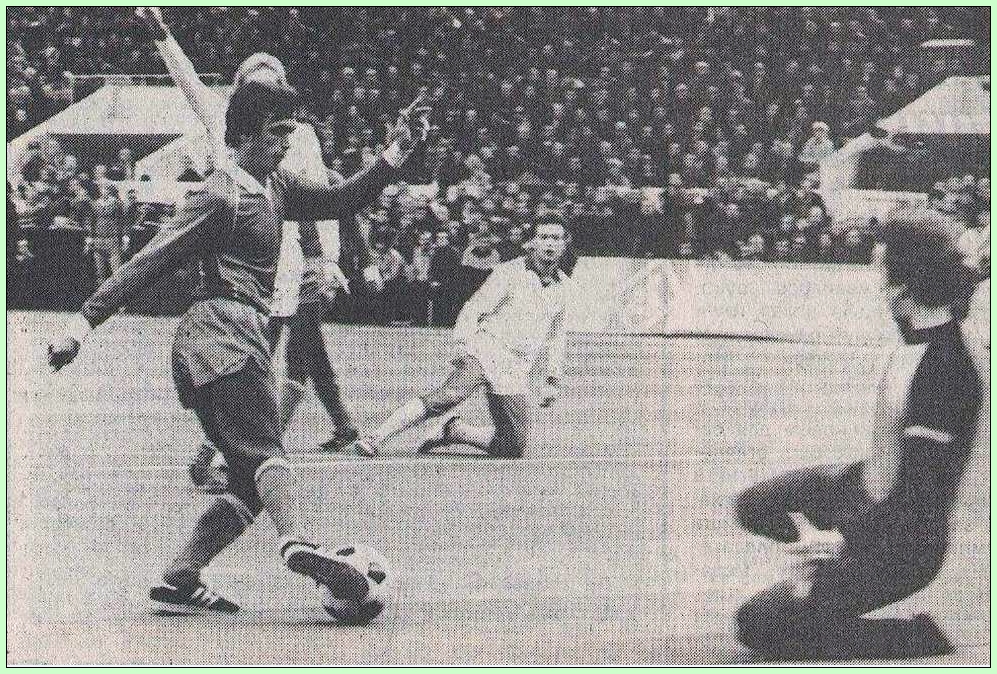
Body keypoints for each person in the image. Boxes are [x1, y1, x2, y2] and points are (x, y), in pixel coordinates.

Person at [46, 79, 424, 614]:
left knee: (249, 478)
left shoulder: (277, 187)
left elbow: (342, 201)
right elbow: (149, 261)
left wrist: (395, 152)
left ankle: (180, 578)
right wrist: (81, 326)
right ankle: (297, 543)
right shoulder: (219, 196)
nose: (286, 143)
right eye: (277, 133)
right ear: (244, 135)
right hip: (219, 334)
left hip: (233, 339)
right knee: (267, 453)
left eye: (291, 132)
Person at [135, 7, 384, 486]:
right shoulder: (220, 120)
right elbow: (187, 80)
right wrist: (162, 35)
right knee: (255, 358)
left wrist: (323, 259)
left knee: (269, 357)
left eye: (272, 84)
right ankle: (247, 454)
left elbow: (321, 196)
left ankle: (239, 454)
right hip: (231, 253)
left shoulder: (299, 136)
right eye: (254, 85)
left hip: (284, 254)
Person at [734, 210, 982, 660]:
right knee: (754, 505)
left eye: (882, 277)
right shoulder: (918, 340)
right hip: (863, 487)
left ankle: (916, 636)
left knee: (759, 626)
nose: (878, 289)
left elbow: (919, 494)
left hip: (903, 541)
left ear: (902, 290)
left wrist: (842, 538)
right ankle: (819, 580)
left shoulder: (947, 370)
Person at [351, 221, 572, 459]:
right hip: (487, 349)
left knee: (513, 446)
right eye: (544, 237)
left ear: (564, 244)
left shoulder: (565, 287)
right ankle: (376, 437)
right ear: (532, 243)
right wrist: (461, 343)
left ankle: (455, 430)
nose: (549, 244)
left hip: (516, 366)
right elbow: (473, 308)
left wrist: (553, 378)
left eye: (556, 238)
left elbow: (556, 336)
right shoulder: (509, 272)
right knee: (449, 395)